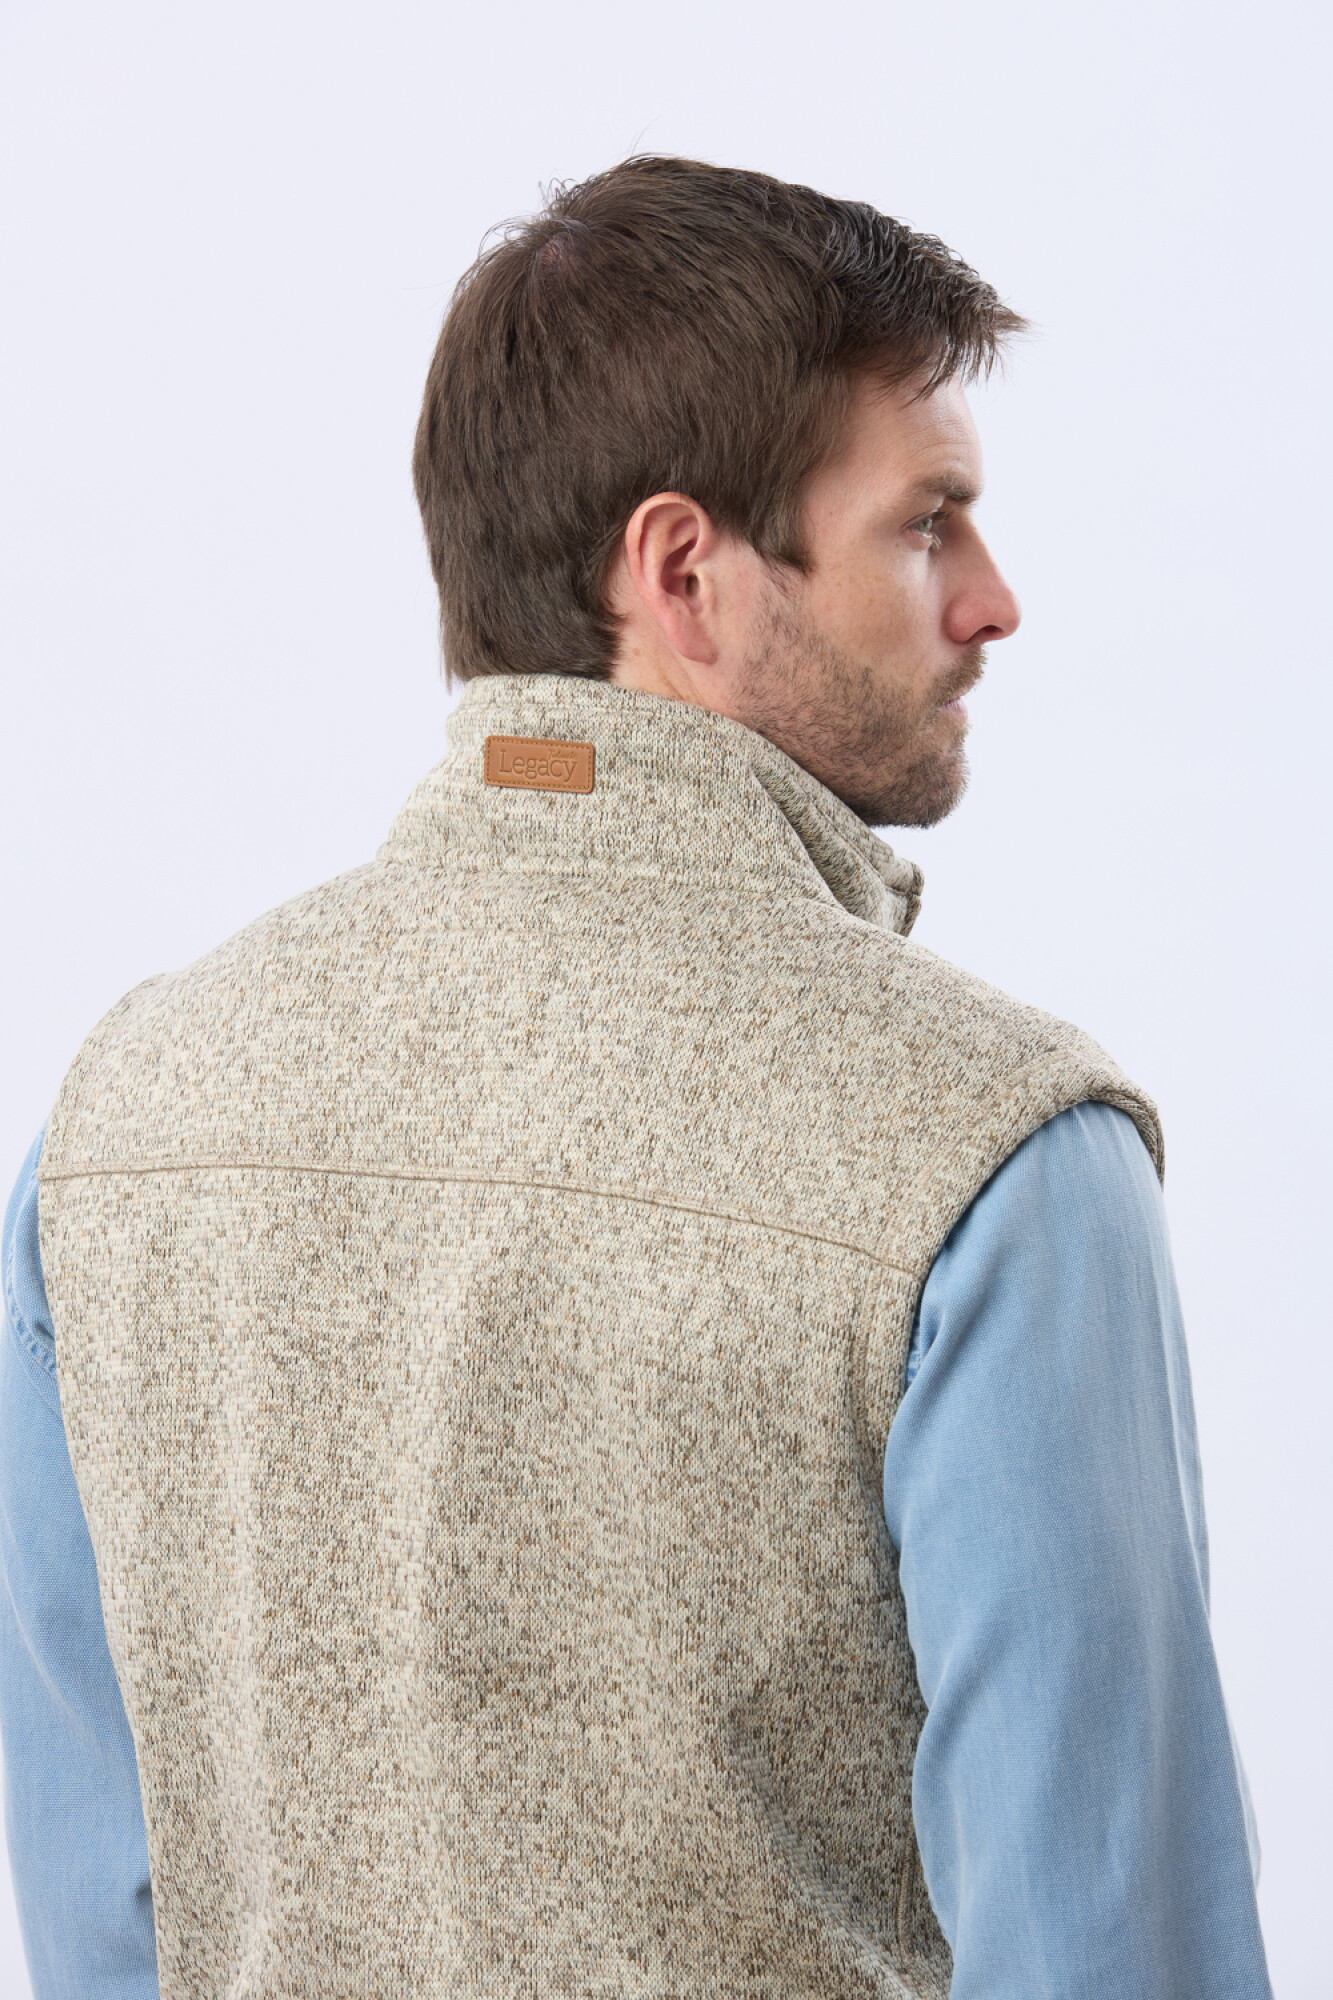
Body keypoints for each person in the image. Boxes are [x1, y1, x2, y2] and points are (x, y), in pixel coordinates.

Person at [0, 156, 1271, 1999]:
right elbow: (1113, 1952)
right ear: (685, 573)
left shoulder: (119, 1127)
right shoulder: (992, 1158)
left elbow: (104, 1915)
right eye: (927, 525)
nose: (993, 602)